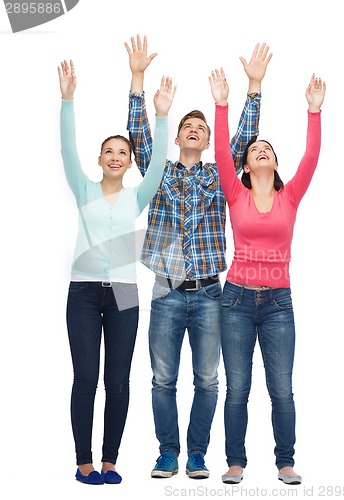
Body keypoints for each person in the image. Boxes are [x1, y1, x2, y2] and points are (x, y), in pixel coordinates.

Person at [125, 34, 272, 479]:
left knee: (208, 381)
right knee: (162, 381)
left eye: (201, 126)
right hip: (166, 292)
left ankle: (196, 453)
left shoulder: (219, 174)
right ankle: (167, 452)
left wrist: (254, 88)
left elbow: (243, 138)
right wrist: (137, 78)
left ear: (208, 141)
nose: (194, 128)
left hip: (211, 295)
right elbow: (138, 136)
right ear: (179, 137)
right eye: (188, 125)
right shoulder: (160, 172)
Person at [58, 59, 176, 485]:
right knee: (86, 377)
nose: (115, 156)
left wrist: (162, 117)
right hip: (84, 292)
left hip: (125, 292)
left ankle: (111, 461)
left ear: (129, 164)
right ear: (99, 159)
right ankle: (83, 461)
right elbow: (67, 150)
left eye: (122, 153)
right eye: (108, 151)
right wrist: (67, 101)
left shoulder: (136, 197)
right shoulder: (84, 188)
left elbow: (159, 166)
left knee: (119, 381)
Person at [210, 67, 326, 484]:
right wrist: (222, 104)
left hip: (278, 303)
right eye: (254, 148)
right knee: (237, 388)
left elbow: (311, 158)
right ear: (245, 164)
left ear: (276, 163)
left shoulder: (290, 195)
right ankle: (236, 462)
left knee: (282, 390)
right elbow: (222, 152)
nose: (261, 149)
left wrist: (313, 112)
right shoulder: (235, 193)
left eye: (268, 148)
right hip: (236, 300)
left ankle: (285, 462)